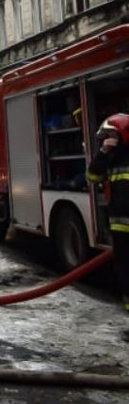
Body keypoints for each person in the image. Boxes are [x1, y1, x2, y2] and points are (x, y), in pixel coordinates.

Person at [86, 113, 129, 325]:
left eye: (110, 136)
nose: (106, 140)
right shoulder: (112, 157)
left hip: (121, 227)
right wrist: (104, 152)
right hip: (120, 227)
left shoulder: (117, 157)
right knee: (124, 269)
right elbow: (93, 177)